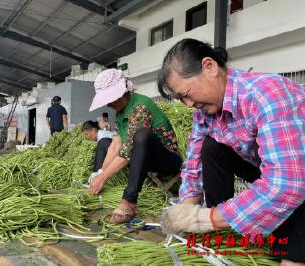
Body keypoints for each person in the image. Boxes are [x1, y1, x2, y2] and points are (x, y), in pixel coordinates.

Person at [158, 38, 305, 265]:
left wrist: (206, 218)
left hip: (296, 175)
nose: (188, 104)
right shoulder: (204, 113)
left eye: (186, 93)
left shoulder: (267, 93)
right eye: (180, 99)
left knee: (288, 249)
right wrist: (187, 210)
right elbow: (194, 162)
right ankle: (224, 235)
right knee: (212, 147)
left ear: (210, 67)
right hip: (274, 172)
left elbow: (288, 184)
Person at [88, 68, 182, 224]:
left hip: (166, 160)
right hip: (142, 159)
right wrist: (100, 173)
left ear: (123, 92)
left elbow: (129, 149)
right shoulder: (120, 114)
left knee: (142, 135)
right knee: (104, 142)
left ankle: (129, 201)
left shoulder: (140, 106)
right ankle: (94, 181)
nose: (109, 104)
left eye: (111, 99)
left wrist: (104, 178)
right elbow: (116, 145)